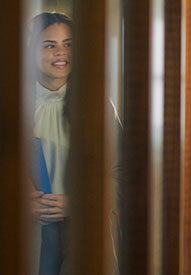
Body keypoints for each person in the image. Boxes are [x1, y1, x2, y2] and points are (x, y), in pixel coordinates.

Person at [27, 12, 74, 275]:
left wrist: (79, 201)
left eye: (68, 44)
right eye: (49, 45)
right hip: (23, 232)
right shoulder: (11, 105)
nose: (61, 53)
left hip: (81, 231)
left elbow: (123, 175)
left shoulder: (98, 107)